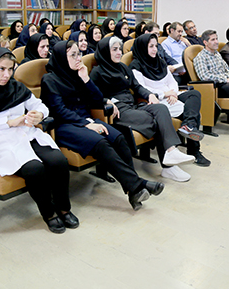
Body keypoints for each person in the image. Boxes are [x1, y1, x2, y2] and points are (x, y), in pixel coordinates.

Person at [0, 47, 78, 233]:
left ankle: (64, 209)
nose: (6, 75)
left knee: (59, 161)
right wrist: (8, 122)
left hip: (26, 133)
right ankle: (49, 214)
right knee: (35, 169)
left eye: (10, 69)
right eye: (1, 69)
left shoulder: (16, 87)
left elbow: (40, 105)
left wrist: (39, 114)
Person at [41, 41, 164, 210]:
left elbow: (97, 99)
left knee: (120, 138)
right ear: (62, 57)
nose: (79, 59)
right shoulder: (50, 79)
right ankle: (138, 185)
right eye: (73, 55)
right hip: (64, 126)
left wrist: (86, 79)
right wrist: (86, 124)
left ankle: (134, 189)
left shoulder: (77, 74)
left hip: (85, 120)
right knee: (101, 143)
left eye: (79, 54)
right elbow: (59, 110)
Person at [90, 36, 196, 182]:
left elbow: (137, 87)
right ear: (104, 52)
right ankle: (169, 166)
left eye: (119, 49)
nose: (119, 53)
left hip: (132, 105)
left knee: (160, 109)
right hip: (117, 110)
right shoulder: (97, 72)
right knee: (156, 120)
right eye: (114, 50)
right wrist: (105, 100)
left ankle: (171, 152)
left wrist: (150, 94)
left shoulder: (122, 67)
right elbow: (90, 95)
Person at [129, 32, 211, 166]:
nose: (155, 49)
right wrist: (165, 93)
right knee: (191, 112)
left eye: (156, 46)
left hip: (171, 95)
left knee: (194, 95)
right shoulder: (135, 66)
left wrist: (172, 92)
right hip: (156, 100)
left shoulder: (159, 61)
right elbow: (141, 88)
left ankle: (188, 126)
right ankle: (194, 151)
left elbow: (171, 81)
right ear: (143, 47)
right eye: (151, 46)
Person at [161, 21, 191, 86]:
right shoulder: (165, 44)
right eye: (179, 31)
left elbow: (191, 57)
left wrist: (188, 44)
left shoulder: (183, 42)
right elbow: (169, 61)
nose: (180, 34)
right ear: (172, 30)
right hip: (176, 74)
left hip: (187, 72)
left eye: (181, 32)